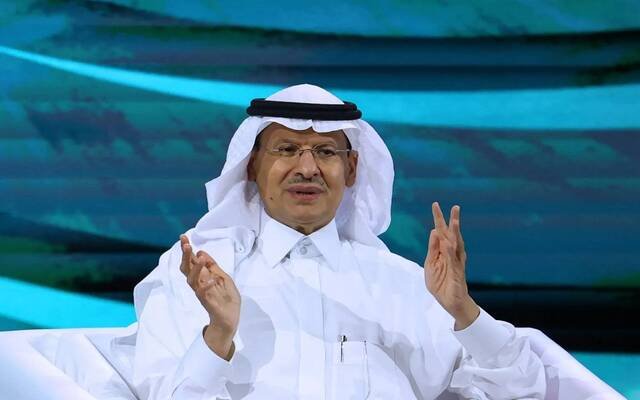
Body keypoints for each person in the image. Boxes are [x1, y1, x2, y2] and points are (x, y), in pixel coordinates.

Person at [121, 84, 546, 399]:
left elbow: (523, 391)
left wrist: (465, 312)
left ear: (352, 169)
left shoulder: (406, 285)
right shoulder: (200, 277)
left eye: (326, 152)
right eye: (287, 149)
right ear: (251, 166)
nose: (307, 168)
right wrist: (218, 334)